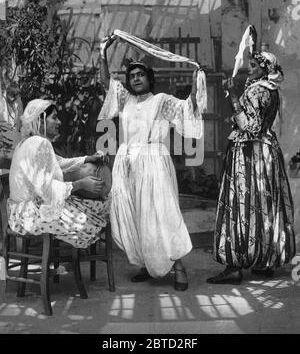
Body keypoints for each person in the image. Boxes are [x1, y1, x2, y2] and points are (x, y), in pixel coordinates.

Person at [97, 35, 205, 291]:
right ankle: (146, 264)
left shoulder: (162, 101)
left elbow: (188, 108)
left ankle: (178, 268)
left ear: (149, 79)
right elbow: (105, 83)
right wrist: (103, 52)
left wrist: (195, 80)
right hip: (127, 164)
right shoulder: (124, 100)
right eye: (132, 75)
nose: (135, 78)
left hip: (155, 164)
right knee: (135, 216)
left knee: (163, 215)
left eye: (140, 75)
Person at [207, 50, 296, 284]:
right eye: (250, 64)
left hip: (249, 154)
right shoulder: (270, 89)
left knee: (241, 205)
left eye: (255, 65)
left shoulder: (257, 90)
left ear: (266, 68)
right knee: (264, 205)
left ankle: (234, 265)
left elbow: (251, 127)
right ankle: (264, 261)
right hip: (266, 152)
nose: (250, 68)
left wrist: (234, 97)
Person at [7, 98, 110, 249]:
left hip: (18, 213)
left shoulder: (26, 142)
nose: (59, 122)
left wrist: (88, 158)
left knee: (89, 206)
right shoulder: (40, 143)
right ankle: (73, 263)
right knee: (94, 215)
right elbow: (46, 190)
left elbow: (58, 163)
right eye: (54, 117)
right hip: (31, 214)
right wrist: (81, 183)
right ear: (41, 120)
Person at [0, 80, 23, 172]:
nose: (14, 97)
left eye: (16, 95)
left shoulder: (18, 103)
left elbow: (19, 122)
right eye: (13, 94)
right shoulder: (2, 102)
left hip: (14, 140)